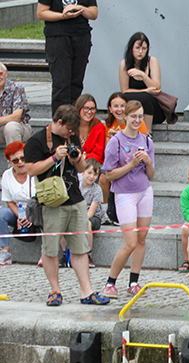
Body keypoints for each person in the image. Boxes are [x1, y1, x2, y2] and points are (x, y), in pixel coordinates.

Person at [24, 105, 108, 306]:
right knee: (51, 249)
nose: (71, 134)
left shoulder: (73, 138)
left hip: (76, 199)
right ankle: (55, 291)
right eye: (68, 129)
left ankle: (86, 292)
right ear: (58, 122)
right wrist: (54, 157)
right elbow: (31, 169)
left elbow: (81, 168)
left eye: (73, 131)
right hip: (52, 202)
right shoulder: (36, 141)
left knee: (80, 248)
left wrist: (77, 158)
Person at [101, 101, 155, 299]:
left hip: (144, 191)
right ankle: (110, 282)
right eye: (133, 116)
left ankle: (134, 281)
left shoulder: (147, 140)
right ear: (125, 117)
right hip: (124, 193)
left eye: (140, 116)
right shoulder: (116, 141)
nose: (137, 120)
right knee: (130, 242)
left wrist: (147, 162)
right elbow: (109, 175)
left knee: (141, 239)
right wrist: (131, 164)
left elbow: (150, 174)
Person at [37, 0, 97, 114]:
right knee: (61, 84)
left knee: (77, 83)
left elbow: (94, 13)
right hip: (58, 37)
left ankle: (74, 122)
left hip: (81, 36)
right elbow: (41, 12)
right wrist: (63, 16)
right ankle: (60, 122)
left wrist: (78, 7)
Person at [119, 32, 167, 134]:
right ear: (131, 48)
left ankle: (147, 133)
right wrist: (146, 90)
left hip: (153, 109)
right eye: (137, 48)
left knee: (146, 98)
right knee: (132, 97)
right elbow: (125, 91)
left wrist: (143, 76)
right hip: (133, 105)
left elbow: (157, 87)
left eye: (144, 48)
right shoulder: (125, 64)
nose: (140, 51)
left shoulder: (152, 61)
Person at [0, 141, 33, 265]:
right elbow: (9, 201)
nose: (20, 162)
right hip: (18, 211)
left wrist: (31, 216)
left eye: (23, 158)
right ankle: (5, 252)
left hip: (37, 210)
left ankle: (45, 254)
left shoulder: (35, 171)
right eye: (15, 160)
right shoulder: (6, 175)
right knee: (1, 213)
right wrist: (21, 216)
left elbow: (42, 200)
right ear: (9, 162)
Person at [0, 63, 32, 149]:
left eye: (0, 73)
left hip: (19, 127)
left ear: (6, 73)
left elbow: (16, 117)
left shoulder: (16, 88)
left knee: (11, 127)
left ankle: (15, 161)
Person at [81, 158, 102, 267]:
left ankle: (88, 254)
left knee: (87, 223)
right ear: (82, 172)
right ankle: (65, 253)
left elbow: (91, 213)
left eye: (95, 174)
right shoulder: (77, 186)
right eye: (89, 173)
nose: (91, 177)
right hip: (78, 214)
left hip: (93, 217)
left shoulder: (97, 190)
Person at [76, 94, 103, 162]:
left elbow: (98, 154)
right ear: (79, 108)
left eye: (92, 109)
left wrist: (85, 156)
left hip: (91, 164)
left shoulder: (99, 127)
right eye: (86, 108)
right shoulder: (71, 125)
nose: (89, 112)